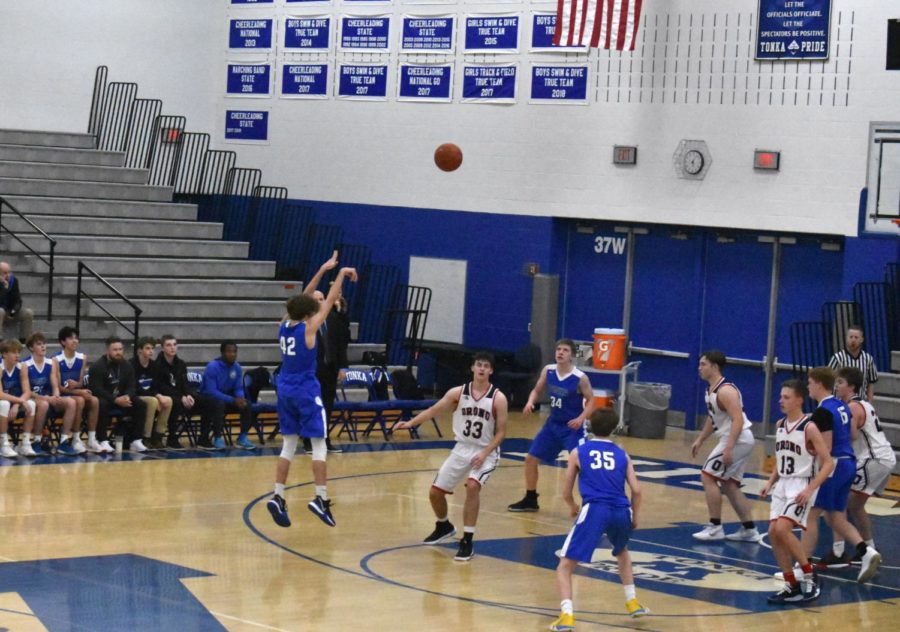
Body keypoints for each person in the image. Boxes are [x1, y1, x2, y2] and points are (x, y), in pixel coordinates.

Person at [393, 352, 508, 561]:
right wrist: (411, 423)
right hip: (462, 447)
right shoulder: (458, 392)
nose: (482, 369)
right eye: (478, 365)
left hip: (486, 450)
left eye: (486, 366)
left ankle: (467, 540)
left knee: (473, 486)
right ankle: (443, 524)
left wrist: (484, 453)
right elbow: (433, 410)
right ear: (472, 368)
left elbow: (501, 433)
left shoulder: (498, 398)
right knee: (435, 493)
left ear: (491, 370)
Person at [267, 266, 358, 529]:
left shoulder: (284, 325)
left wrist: (321, 270)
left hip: (284, 389)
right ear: (308, 313)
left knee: (288, 445)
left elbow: (302, 298)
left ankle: (278, 495)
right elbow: (329, 300)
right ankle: (320, 498)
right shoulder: (309, 329)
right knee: (319, 444)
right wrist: (340, 274)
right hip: (306, 390)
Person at [550, 408, 647, 631]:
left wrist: (573, 507)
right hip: (622, 509)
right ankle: (632, 602)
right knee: (622, 551)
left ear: (590, 426)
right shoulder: (623, 454)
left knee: (565, 566)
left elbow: (565, 491)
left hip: (595, 509)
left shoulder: (578, 451)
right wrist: (635, 515)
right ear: (614, 428)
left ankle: (566, 617)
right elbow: (638, 490)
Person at [801, 366, 881, 583]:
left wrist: (810, 451)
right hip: (848, 463)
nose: (808, 387)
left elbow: (825, 448)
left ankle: (803, 568)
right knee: (835, 516)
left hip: (834, 465)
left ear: (818, 383)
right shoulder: (841, 406)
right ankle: (867, 552)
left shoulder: (823, 411)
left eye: (809, 383)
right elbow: (851, 435)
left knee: (811, 514)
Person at [760, 379, 833, 604]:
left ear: (799, 400)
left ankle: (809, 574)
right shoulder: (780, 424)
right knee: (773, 532)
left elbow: (828, 463)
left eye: (786, 397)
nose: (781, 401)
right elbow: (782, 462)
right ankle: (792, 585)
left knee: (783, 528)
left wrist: (811, 489)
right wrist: (770, 482)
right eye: (781, 397)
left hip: (802, 485)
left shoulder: (809, 426)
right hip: (783, 485)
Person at [508, 339, 594, 513]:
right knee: (531, 459)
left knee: (581, 464)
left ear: (572, 355)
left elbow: (592, 401)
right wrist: (530, 402)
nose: (560, 353)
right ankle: (531, 499)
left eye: (565, 350)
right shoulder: (548, 371)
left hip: (573, 428)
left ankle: (590, 503)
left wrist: (581, 418)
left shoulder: (580, 378)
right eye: (558, 349)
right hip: (553, 425)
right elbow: (536, 390)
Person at [827, 367, 896, 564]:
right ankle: (869, 548)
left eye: (840, 382)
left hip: (873, 458)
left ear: (851, 387)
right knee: (856, 506)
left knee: (838, 498)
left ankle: (839, 553)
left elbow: (852, 435)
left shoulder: (852, 408)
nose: (836, 386)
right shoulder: (863, 404)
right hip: (882, 457)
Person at [690, 350, 760, 542]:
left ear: (715, 367)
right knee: (729, 485)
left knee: (707, 476)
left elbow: (737, 419)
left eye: (703, 364)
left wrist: (729, 447)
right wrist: (701, 439)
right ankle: (749, 529)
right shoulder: (710, 390)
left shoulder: (725, 390)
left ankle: (715, 527)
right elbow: (713, 419)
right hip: (736, 439)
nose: (699, 367)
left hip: (738, 438)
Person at [303, 250, 349, 454]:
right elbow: (305, 295)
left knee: (327, 406)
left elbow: (341, 343)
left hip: (329, 367)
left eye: (322, 299)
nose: (321, 302)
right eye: (317, 299)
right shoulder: (303, 324)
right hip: (309, 371)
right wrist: (327, 270)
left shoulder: (332, 319)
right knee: (311, 406)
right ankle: (307, 441)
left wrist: (341, 366)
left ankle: (323, 439)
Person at [155, 335, 220, 450]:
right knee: (174, 403)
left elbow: (184, 383)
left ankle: (203, 438)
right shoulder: (157, 365)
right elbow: (162, 387)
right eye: (169, 345)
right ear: (162, 348)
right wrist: (181, 397)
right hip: (167, 398)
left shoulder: (181, 364)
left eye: (174, 345)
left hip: (182, 396)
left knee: (211, 402)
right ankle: (172, 438)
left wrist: (188, 395)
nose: (172, 348)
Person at [25, 332, 82, 455]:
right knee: (44, 404)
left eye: (44, 344)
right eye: (39, 344)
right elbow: (26, 391)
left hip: (48, 398)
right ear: (31, 348)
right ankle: (37, 441)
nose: (43, 347)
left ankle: (64, 441)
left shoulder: (51, 363)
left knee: (71, 402)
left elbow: (55, 384)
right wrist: (44, 398)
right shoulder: (25, 364)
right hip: (33, 399)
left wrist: (56, 395)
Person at [88, 336, 147, 453]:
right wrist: (115, 399)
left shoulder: (127, 365)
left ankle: (136, 440)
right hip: (107, 399)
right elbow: (96, 389)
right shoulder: (98, 366)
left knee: (140, 404)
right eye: (115, 350)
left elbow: (132, 386)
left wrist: (127, 396)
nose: (118, 352)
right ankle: (103, 440)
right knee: (101, 404)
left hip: (122, 399)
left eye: (120, 349)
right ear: (107, 351)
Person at [201, 341, 254, 450]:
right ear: (222, 353)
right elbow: (211, 391)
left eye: (234, 352)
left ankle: (242, 438)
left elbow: (238, 388)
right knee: (218, 404)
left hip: (226, 398)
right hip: (207, 398)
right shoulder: (212, 367)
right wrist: (232, 400)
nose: (232, 354)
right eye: (229, 351)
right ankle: (217, 438)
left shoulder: (237, 367)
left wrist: (240, 397)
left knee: (247, 404)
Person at [54, 326, 99, 453]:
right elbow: (59, 388)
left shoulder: (82, 358)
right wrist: (78, 391)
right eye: (70, 338)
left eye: (76, 338)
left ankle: (91, 439)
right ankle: (75, 438)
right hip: (62, 396)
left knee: (94, 400)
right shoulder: (56, 360)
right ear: (63, 342)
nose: (74, 341)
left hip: (73, 393)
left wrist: (77, 386)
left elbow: (80, 383)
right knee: (79, 400)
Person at [130, 337, 172, 450]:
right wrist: (156, 396)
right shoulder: (131, 365)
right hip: (135, 396)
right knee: (153, 401)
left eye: (152, 348)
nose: (151, 351)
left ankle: (158, 436)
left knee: (168, 400)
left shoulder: (154, 366)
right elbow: (135, 387)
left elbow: (156, 386)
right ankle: (145, 437)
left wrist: (158, 396)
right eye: (147, 348)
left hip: (150, 395)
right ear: (139, 350)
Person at [0, 338, 38, 457]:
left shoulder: (22, 367)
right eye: (14, 352)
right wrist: (20, 401)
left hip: (14, 402)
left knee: (31, 404)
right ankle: (4, 444)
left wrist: (17, 405)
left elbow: (27, 391)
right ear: (5, 354)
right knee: (4, 404)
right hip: (2, 402)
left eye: (18, 352)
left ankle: (25, 443)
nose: (17, 355)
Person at [828, 325, 878, 402]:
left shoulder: (868, 359)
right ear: (846, 339)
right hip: (839, 403)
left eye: (856, 337)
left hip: (859, 402)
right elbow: (828, 380)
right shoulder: (837, 358)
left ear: (862, 339)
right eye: (851, 337)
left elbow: (871, 383)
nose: (853, 340)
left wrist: (869, 403)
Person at [0, 261, 34, 341]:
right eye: (4, 273)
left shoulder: (13, 280)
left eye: (9, 272)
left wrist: (13, 312)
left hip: (9, 311)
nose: (8, 275)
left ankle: (24, 340)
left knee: (28, 313)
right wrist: (4, 288)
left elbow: (18, 300)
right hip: (1, 311)